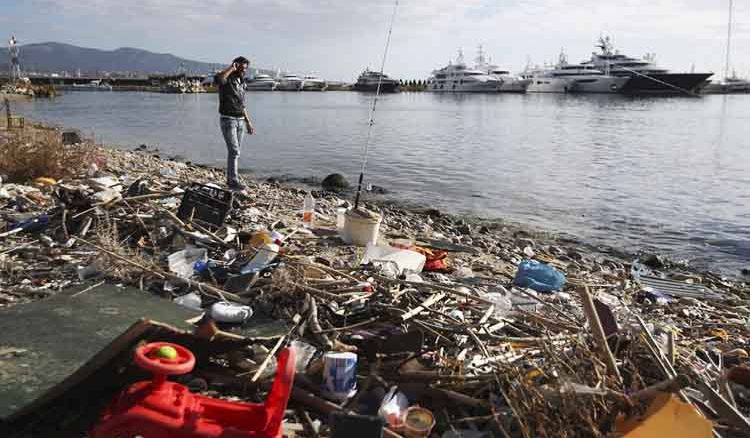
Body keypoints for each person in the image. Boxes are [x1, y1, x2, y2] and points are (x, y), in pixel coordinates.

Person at [215, 56, 255, 191]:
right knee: (234, 150)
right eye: (242, 68)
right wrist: (231, 68)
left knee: (236, 152)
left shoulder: (241, 82)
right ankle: (233, 181)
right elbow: (219, 80)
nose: (244, 71)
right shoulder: (227, 79)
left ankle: (232, 178)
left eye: (245, 69)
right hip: (228, 120)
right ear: (236, 66)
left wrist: (248, 122)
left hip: (240, 121)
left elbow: (242, 105)